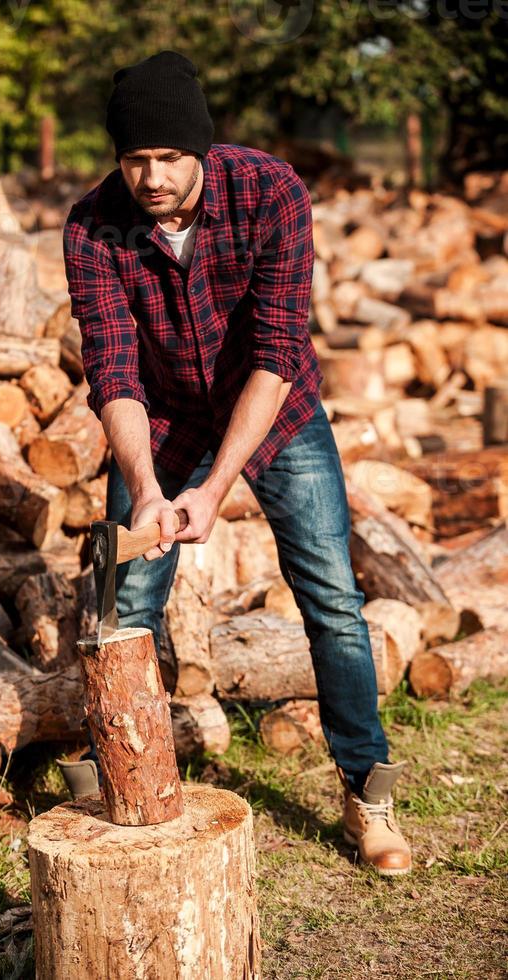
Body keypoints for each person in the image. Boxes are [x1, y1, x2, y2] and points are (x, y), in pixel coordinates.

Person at [63, 50, 411, 876]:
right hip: (163, 421)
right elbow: (111, 366)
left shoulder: (271, 192)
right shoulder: (92, 224)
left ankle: (371, 797)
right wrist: (148, 489)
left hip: (276, 411)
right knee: (118, 603)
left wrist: (215, 488)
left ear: (202, 150)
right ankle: (119, 786)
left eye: (169, 158)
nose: (150, 176)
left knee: (331, 596)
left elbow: (278, 345)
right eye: (135, 158)